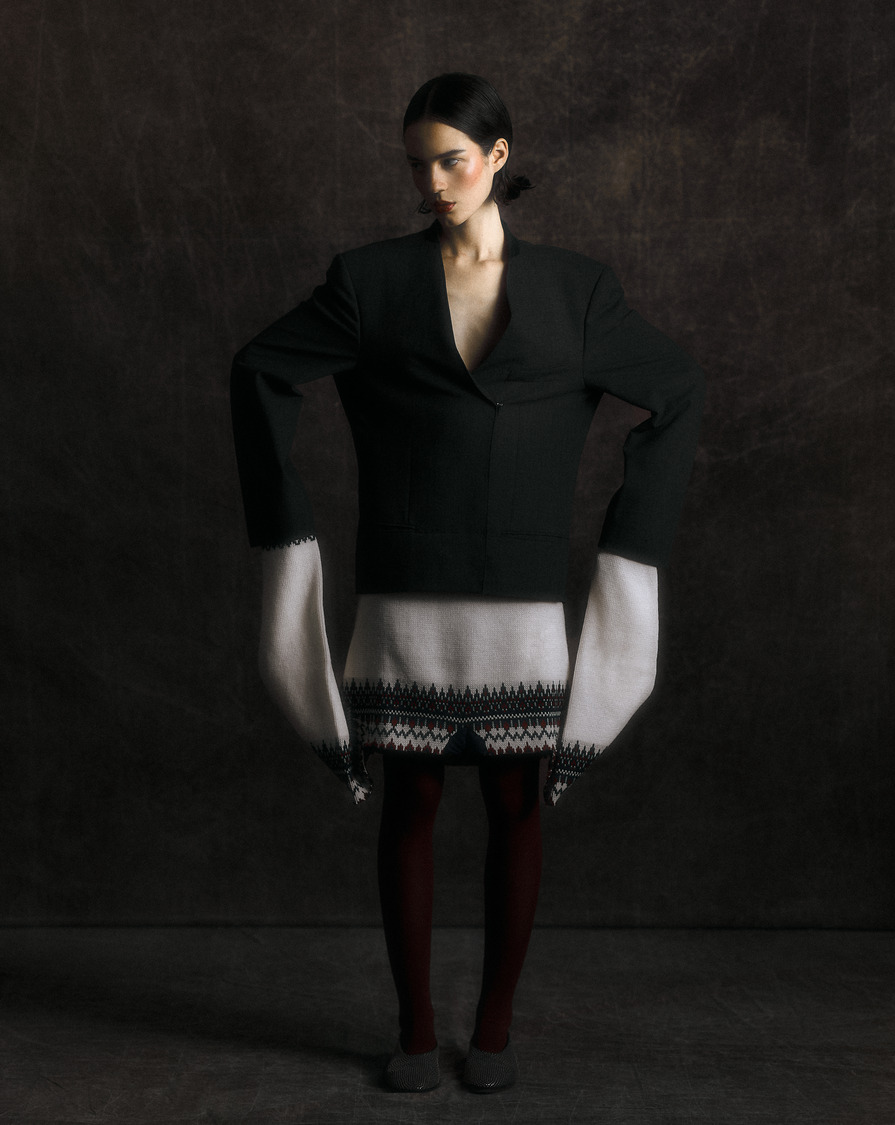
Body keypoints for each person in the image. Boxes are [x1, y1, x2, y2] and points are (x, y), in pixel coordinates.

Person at [230, 73, 705, 1094]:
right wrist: (287, 532)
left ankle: (494, 1024)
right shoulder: (369, 281)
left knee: (516, 804)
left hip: (525, 599)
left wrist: (632, 543)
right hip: (406, 590)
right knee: (410, 801)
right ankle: (413, 1026)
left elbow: (674, 388)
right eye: (417, 164)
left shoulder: (579, 290)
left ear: (498, 156)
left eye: (451, 160)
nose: (433, 183)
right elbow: (258, 371)